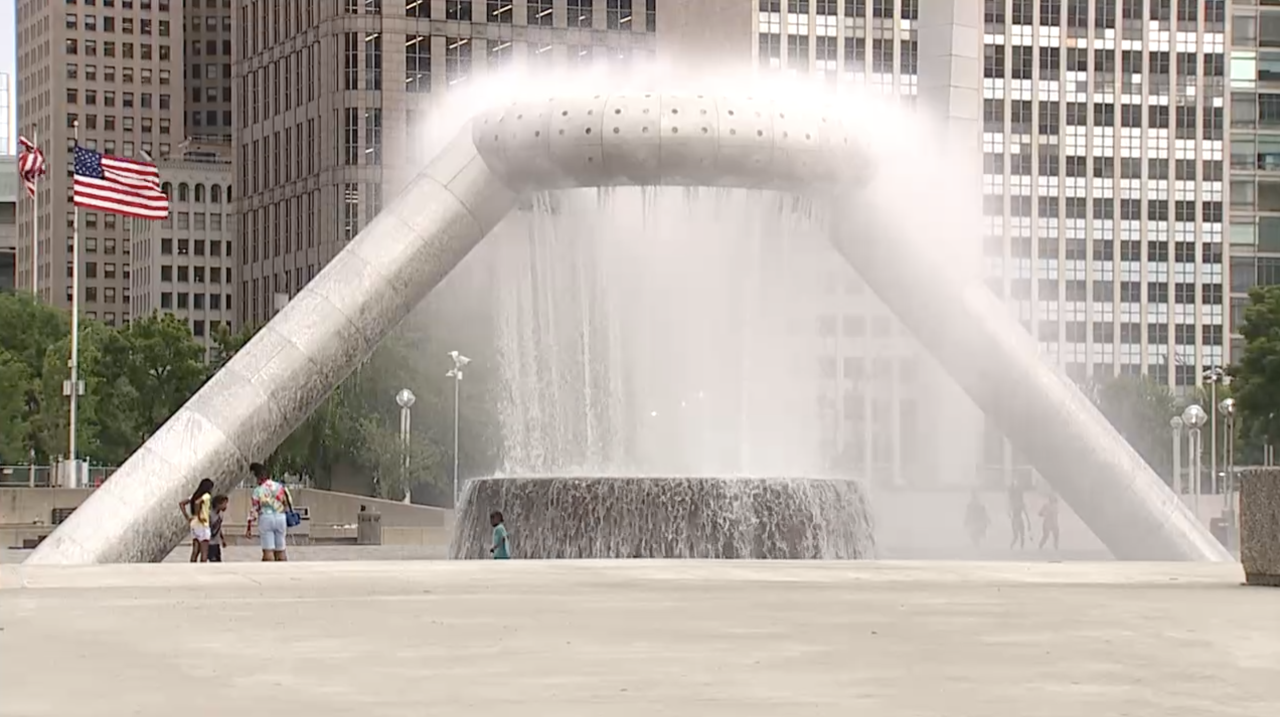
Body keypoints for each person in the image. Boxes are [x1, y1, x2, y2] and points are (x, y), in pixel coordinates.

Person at [245, 462, 293, 562]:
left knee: (268, 551)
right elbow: (287, 502)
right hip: (280, 517)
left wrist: (249, 526)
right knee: (281, 550)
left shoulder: (258, 490)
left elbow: (255, 509)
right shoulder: (279, 486)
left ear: (258, 477)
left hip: (266, 518)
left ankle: (269, 568)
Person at [179, 478, 215, 563]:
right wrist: (199, 516)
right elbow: (197, 503)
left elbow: (182, 503)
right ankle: (202, 568)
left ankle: (192, 566)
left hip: (194, 523)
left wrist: (188, 517)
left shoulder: (194, 495)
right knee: (204, 550)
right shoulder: (206, 496)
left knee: (195, 550)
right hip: (202, 523)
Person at [1008, 479, 1029, 550]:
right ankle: (1012, 547)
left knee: (1021, 536)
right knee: (1017, 536)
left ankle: (1019, 548)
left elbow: (1026, 513)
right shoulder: (1014, 503)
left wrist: (1029, 522)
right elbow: (1025, 513)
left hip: (1017, 519)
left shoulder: (1017, 503)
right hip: (1016, 519)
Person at [207, 495, 229, 562]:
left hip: (216, 543)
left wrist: (222, 539)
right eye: (224, 504)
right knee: (213, 561)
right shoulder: (210, 514)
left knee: (218, 561)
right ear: (218, 504)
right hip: (209, 543)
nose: (226, 506)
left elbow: (219, 527)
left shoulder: (220, 515)